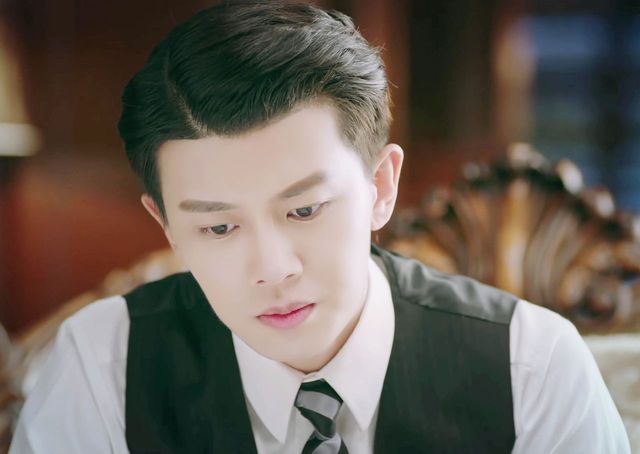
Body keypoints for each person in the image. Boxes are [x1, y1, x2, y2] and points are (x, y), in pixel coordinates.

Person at [10, 1, 630, 453]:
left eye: (304, 210)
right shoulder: (104, 364)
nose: (273, 269)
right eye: (219, 228)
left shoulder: (533, 368)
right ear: (166, 224)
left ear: (380, 187)